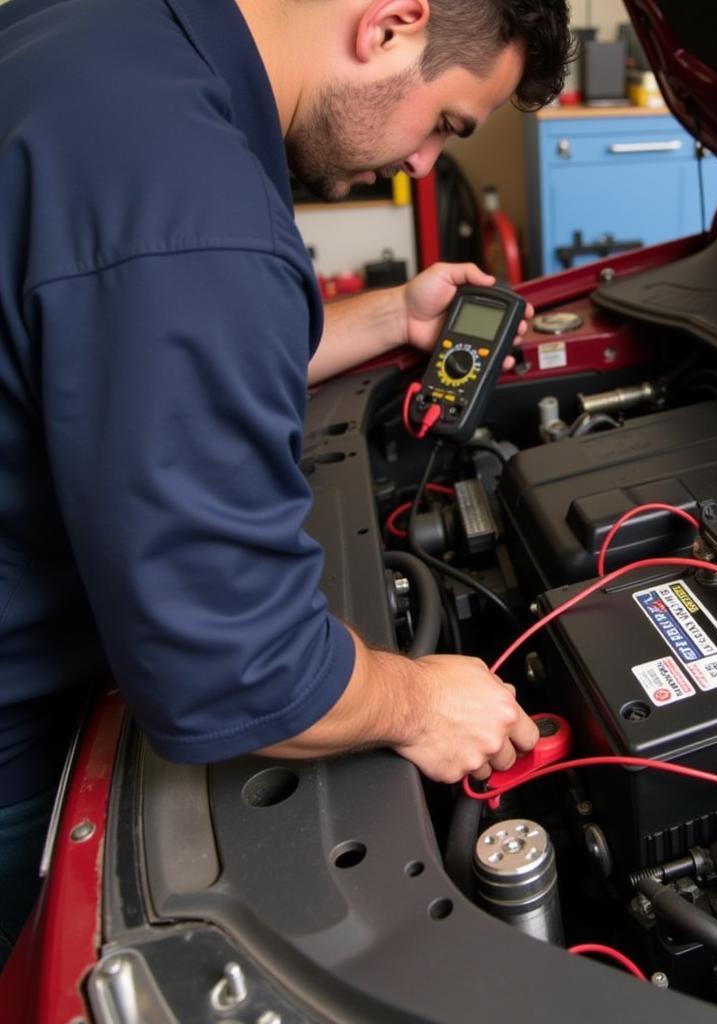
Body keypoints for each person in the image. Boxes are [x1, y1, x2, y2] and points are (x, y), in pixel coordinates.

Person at [0, 0, 573, 964]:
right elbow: (235, 666)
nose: (428, 163)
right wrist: (420, 702)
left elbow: (119, 344)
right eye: (447, 124)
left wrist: (391, 314)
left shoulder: (104, 35)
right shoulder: (193, 204)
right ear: (391, 24)